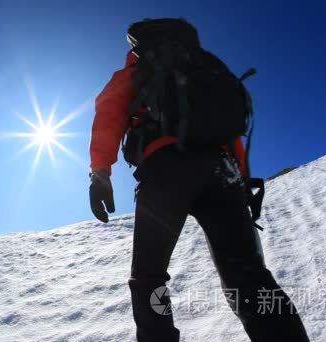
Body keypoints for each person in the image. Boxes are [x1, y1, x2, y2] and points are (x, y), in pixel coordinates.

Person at [88, 18, 309, 341]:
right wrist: (242, 182)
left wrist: (100, 172)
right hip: (220, 169)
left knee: (149, 278)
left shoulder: (136, 70)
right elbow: (230, 133)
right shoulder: (202, 69)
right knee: (248, 276)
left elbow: (108, 113)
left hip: (164, 169)